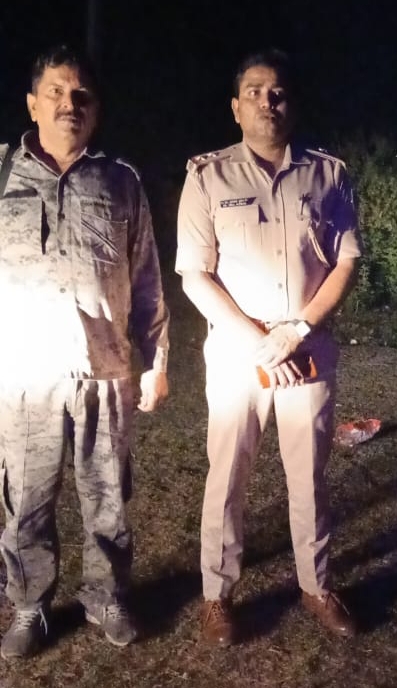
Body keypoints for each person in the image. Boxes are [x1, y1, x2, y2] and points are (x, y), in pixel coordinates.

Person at [176, 48, 362, 646]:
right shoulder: (207, 177)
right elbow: (195, 274)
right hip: (240, 349)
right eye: (254, 92)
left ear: (292, 104)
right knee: (227, 476)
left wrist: (296, 330)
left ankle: (316, 585)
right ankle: (216, 595)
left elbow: (346, 262)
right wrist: (260, 340)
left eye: (277, 92)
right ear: (235, 108)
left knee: (309, 476)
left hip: (305, 346)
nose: (267, 101)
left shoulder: (328, 174)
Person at [0, 45, 170, 659]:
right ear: (32, 103)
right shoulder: (2, 175)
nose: (68, 104)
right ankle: (29, 605)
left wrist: (157, 362)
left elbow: (147, 278)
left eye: (81, 96)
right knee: (25, 501)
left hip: (106, 371)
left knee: (108, 498)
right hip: (23, 375)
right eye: (55, 92)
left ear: (95, 110)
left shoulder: (120, 180)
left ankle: (106, 596)